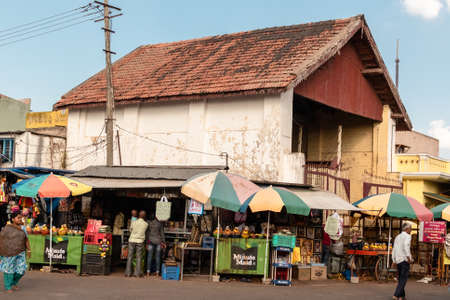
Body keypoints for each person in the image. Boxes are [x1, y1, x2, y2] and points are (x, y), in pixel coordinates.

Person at [0, 212, 31, 293]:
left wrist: (29, 250)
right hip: (9, 252)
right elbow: (2, 239)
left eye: (21, 218)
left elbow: (26, 239)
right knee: (9, 269)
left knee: (21, 270)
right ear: (13, 219)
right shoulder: (7, 228)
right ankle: (8, 286)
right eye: (18, 218)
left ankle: (13, 282)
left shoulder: (23, 228)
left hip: (20, 251)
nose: (20, 219)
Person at [392, 222, 413, 300]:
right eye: (410, 229)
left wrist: (393, 260)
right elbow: (406, 246)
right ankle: (396, 295)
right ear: (407, 229)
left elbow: (394, 249)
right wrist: (408, 258)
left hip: (398, 260)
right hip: (404, 260)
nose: (411, 230)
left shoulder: (397, 236)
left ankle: (402, 296)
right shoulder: (408, 236)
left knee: (401, 278)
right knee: (403, 279)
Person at [125, 210, 148, 277]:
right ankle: (137, 273)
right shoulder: (146, 224)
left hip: (132, 240)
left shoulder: (134, 222)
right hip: (140, 241)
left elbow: (130, 230)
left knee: (130, 257)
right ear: (144, 216)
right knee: (139, 257)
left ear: (139, 215)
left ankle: (128, 273)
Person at [146, 212, 165, 276]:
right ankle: (157, 272)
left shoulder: (148, 223)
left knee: (149, 257)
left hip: (150, 241)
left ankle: (148, 272)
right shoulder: (160, 223)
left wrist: (146, 242)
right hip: (158, 242)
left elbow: (147, 234)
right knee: (157, 257)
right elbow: (162, 233)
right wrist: (163, 242)